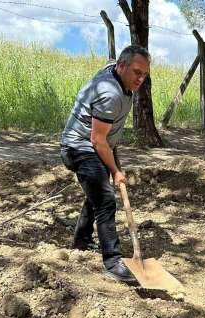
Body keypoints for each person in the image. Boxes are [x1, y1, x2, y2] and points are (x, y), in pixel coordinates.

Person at [59, 45, 150, 283]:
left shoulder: (117, 72)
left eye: (145, 74)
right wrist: (116, 171)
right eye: (137, 72)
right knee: (106, 201)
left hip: (95, 142)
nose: (140, 79)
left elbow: (109, 61)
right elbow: (98, 140)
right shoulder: (110, 94)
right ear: (122, 67)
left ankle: (81, 240)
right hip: (80, 147)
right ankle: (112, 262)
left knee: (97, 194)